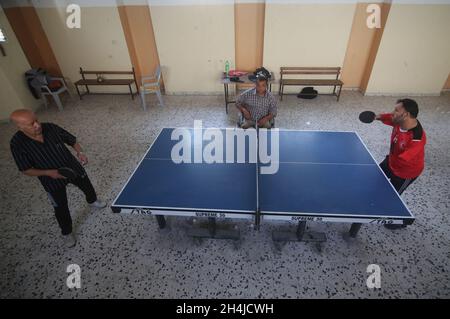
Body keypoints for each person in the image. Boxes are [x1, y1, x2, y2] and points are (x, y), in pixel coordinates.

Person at [9, 109, 106, 247]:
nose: (37, 125)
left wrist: (80, 152)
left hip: (72, 167)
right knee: (60, 207)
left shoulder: (50, 127)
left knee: (87, 186)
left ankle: (92, 201)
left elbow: (72, 140)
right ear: (20, 127)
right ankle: (66, 232)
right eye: (32, 124)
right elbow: (26, 169)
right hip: (50, 178)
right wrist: (49, 173)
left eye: (37, 120)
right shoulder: (17, 143)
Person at [375, 99, 426, 229]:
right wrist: (377, 116)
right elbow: (390, 117)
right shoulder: (400, 122)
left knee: (391, 196)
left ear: (406, 114)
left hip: (405, 173)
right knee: (373, 180)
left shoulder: (417, 138)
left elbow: (404, 159)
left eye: (397, 110)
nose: (393, 112)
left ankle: (401, 220)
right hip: (391, 161)